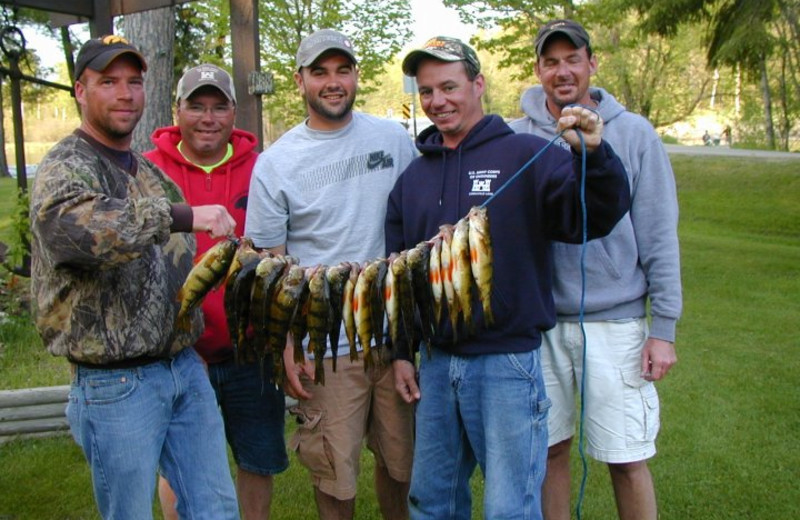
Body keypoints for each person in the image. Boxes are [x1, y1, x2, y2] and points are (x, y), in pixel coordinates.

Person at [387, 36, 631, 519]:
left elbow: (592, 215)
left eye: (450, 87)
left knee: (509, 506)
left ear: (479, 85)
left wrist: (595, 157)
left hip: (507, 365)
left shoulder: (527, 154)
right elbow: (400, 277)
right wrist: (401, 352)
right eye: (428, 91)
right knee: (431, 501)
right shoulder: (411, 179)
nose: (438, 101)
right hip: (435, 364)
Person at [29, 35, 240, 519]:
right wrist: (184, 215)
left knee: (216, 509)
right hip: (115, 385)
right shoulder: (65, 167)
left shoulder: (147, 172)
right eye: (109, 82)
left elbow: (176, 266)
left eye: (134, 82)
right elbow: (79, 234)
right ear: (81, 91)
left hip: (183, 369)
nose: (125, 94)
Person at [509, 19, 681, 520]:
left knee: (626, 458)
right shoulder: (518, 137)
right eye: (550, 61)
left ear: (591, 63)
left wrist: (663, 329)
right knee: (549, 451)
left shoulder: (634, 133)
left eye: (572, 59)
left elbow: (658, 233)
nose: (562, 71)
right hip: (540, 325)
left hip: (617, 322)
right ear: (538, 69)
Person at [244, 29, 417, 520]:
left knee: (400, 468)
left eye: (343, 70)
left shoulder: (392, 140)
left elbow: (415, 223)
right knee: (334, 480)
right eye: (320, 72)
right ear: (300, 81)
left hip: (393, 339)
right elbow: (269, 270)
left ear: (357, 76)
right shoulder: (276, 164)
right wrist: (284, 346)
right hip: (326, 348)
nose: (333, 82)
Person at [144, 63, 288, 520]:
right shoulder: (147, 171)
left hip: (251, 349)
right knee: (178, 464)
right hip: (178, 354)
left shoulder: (265, 167)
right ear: (177, 110)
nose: (208, 118)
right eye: (196, 106)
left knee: (256, 459)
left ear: (234, 112)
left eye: (219, 106)